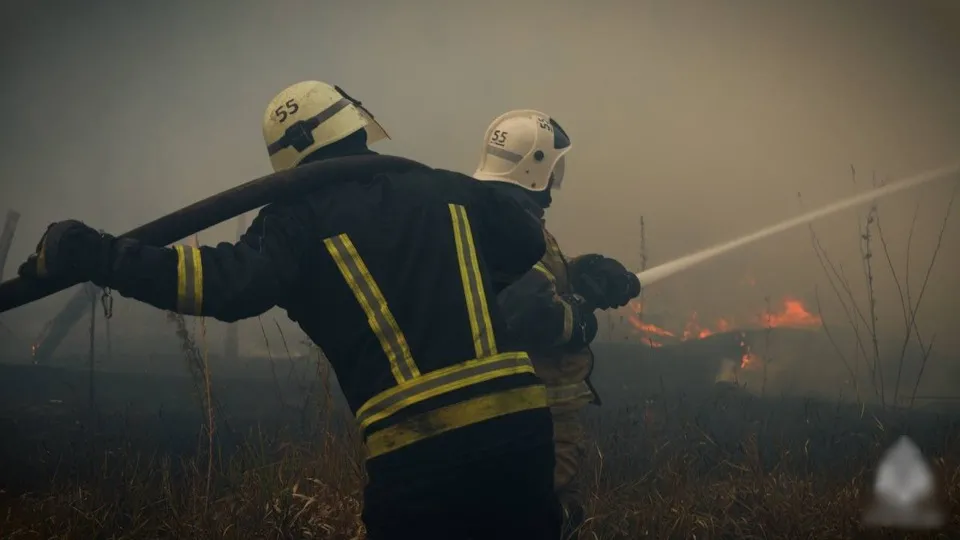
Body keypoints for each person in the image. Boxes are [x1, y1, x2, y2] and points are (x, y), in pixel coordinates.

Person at [17, 82, 563, 539]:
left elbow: (222, 284)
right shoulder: (448, 191)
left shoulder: (295, 222)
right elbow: (523, 240)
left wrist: (101, 255)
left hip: (420, 461)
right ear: (356, 124)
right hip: (521, 441)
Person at [471, 109, 641, 539]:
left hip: (508, 410)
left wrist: (582, 270)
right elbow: (531, 312)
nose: (555, 178)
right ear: (535, 165)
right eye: (553, 166)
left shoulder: (489, 212)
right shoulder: (510, 223)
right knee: (548, 510)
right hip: (537, 410)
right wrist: (581, 317)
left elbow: (525, 279)